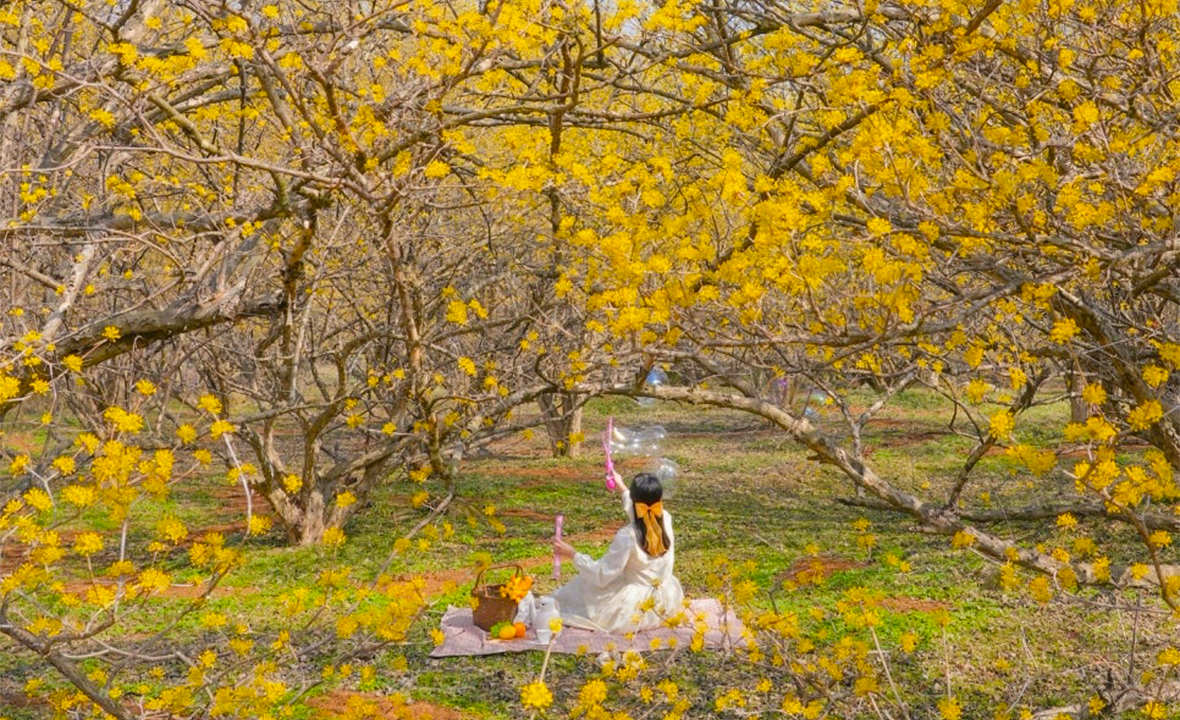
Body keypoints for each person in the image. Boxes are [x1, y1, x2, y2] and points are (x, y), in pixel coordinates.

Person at [550, 472, 684, 633]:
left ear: (634, 500)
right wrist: (620, 485)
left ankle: (552, 604)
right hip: (666, 601)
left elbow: (602, 575)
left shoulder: (627, 536)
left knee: (585, 583)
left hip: (636, 608)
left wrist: (573, 554)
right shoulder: (666, 518)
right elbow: (640, 510)